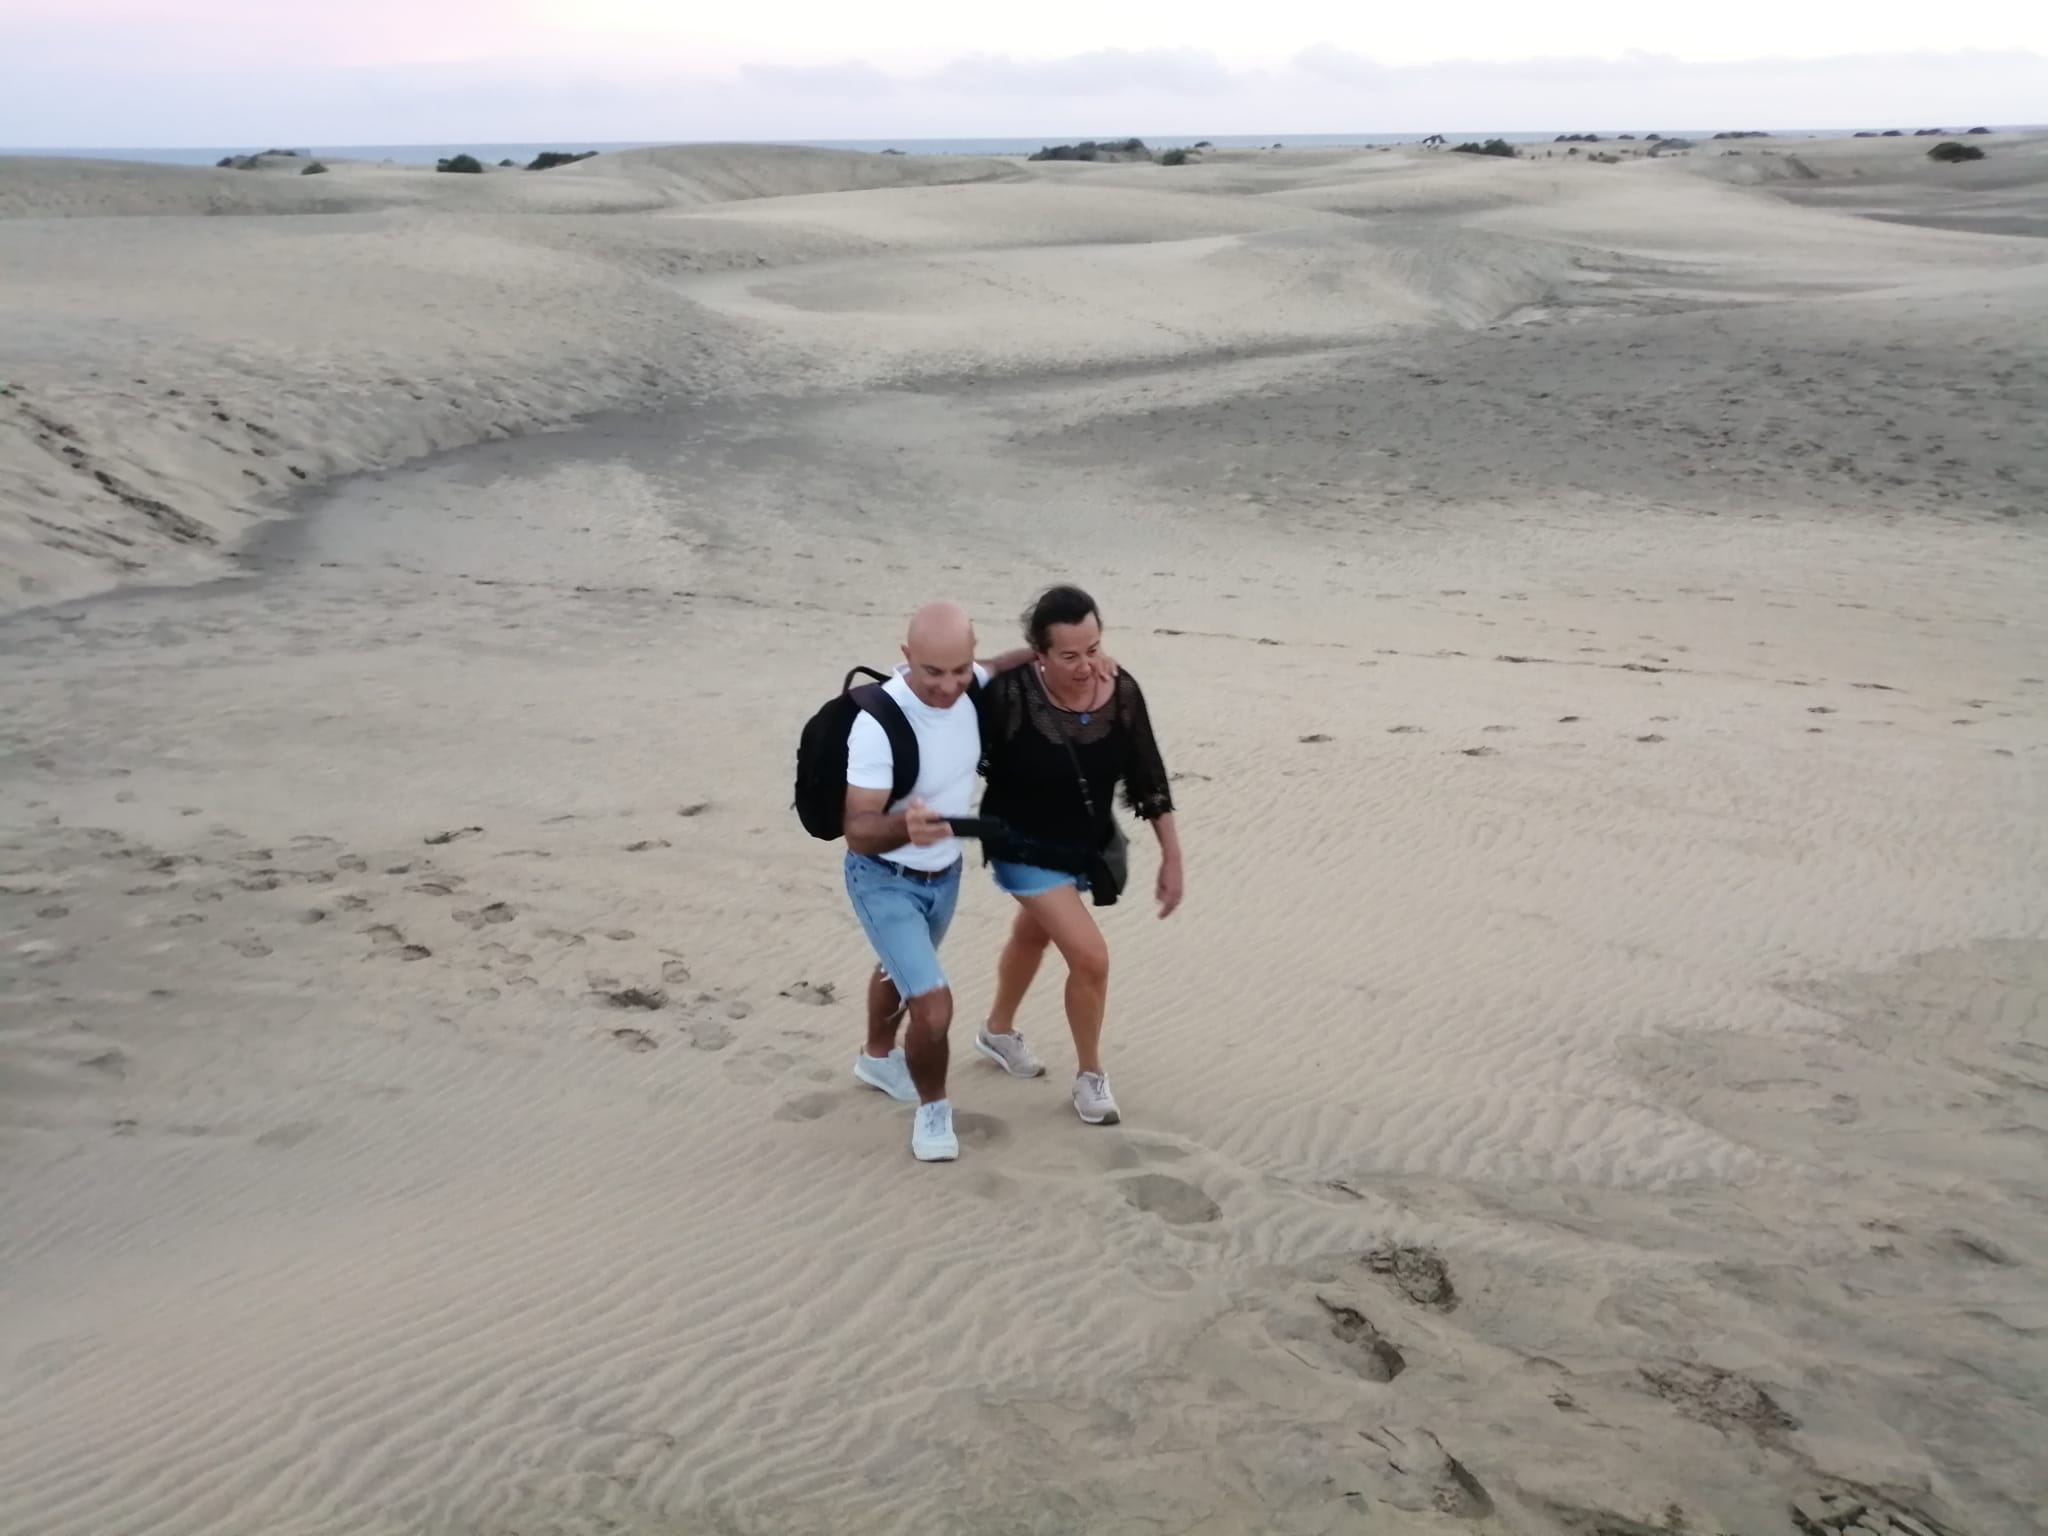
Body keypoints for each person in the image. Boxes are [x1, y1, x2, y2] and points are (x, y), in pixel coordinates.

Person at [839, 600, 1112, 1163]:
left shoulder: (973, 681)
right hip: (883, 878)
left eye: (960, 670)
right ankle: (934, 1113)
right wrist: (902, 827)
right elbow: (858, 831)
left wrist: (1076, 660)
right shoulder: (878, 723)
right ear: (907, 656)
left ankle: (876, 1057)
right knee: (933, 1005)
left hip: (944, 877)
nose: (948, 687)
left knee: (901, 969)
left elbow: (1010, 663)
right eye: (933, 672)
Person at [972, 585, 1182, 1126]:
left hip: (1082, 845)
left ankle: (997, 1031)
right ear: (1038, 654)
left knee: (1033, 933)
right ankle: (1091, 1077)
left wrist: (1172, 858)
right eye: (1069, 655)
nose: (1086, 666)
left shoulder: (1121, 691)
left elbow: (1149, 778)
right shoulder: (1010, 695)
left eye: (1093, 649)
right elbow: (944, 704)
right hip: (1020, 843)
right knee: (1090, 958)